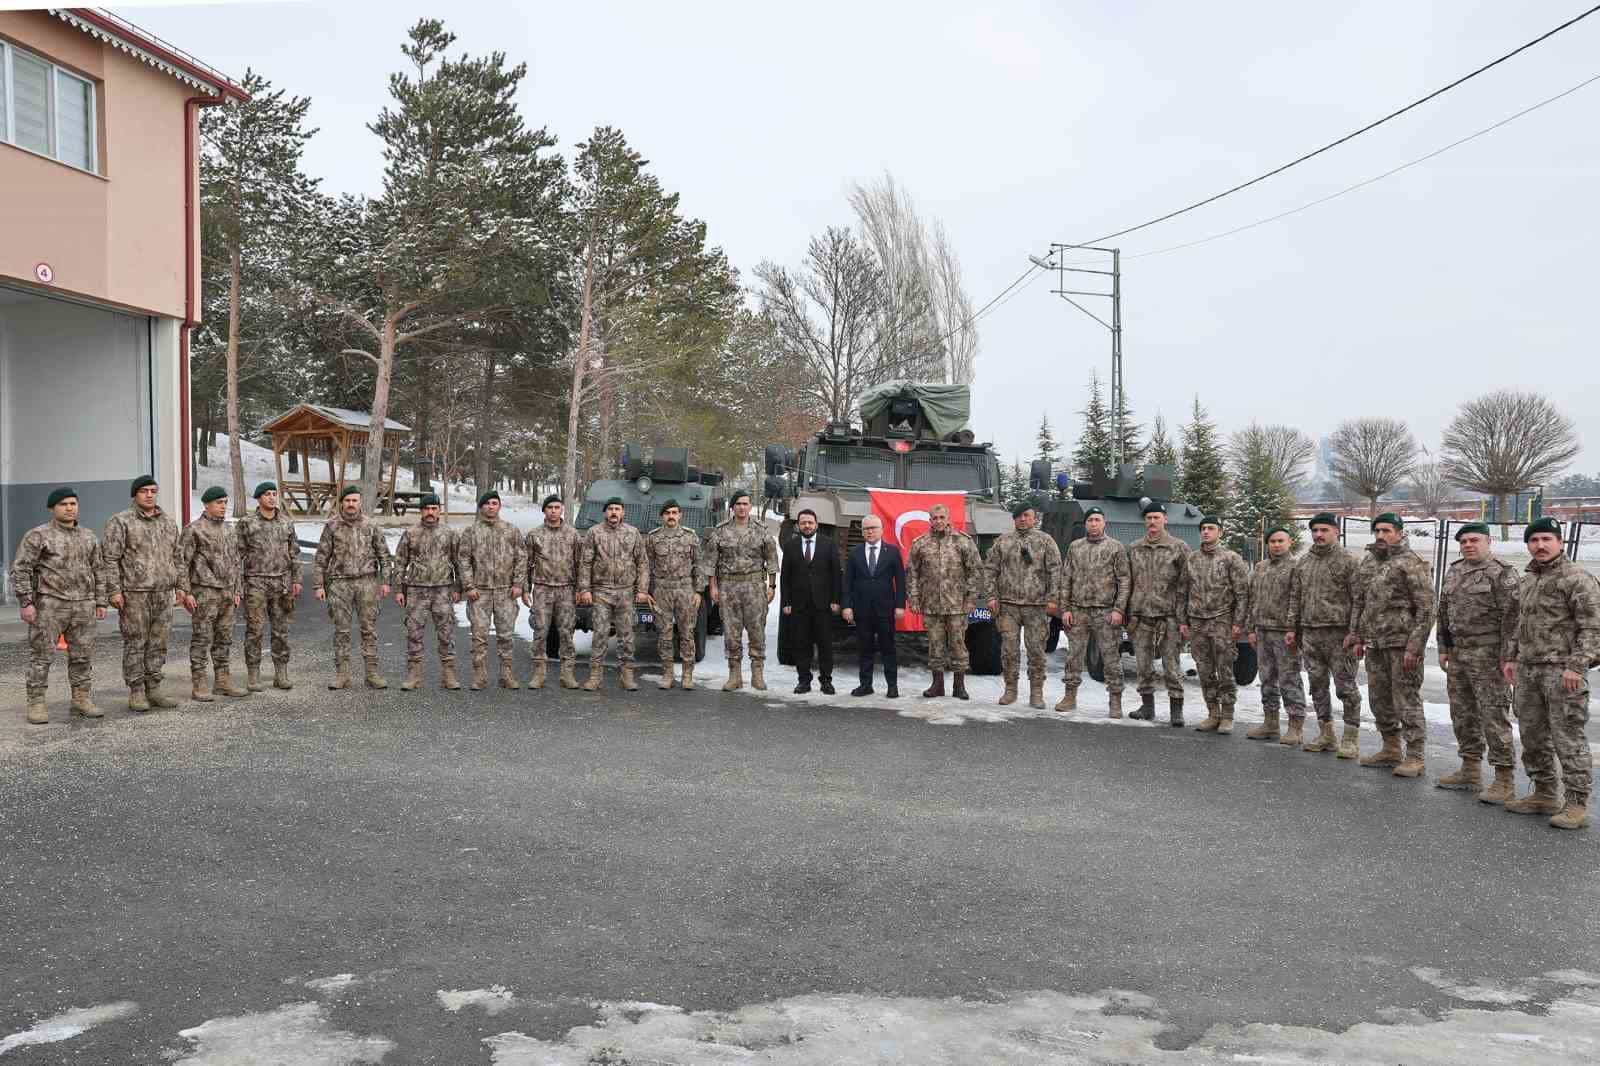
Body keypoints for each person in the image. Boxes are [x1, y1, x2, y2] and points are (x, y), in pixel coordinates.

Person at [1503, 517, 1600, 829]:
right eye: (1534, 540)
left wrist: (1576, 665)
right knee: (1532, 736)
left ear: (1560, 542)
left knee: (1568, 738)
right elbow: (1520, 624)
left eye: (1546, 539)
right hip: (1529, 671)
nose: (1540, 545)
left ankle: (1576, 803)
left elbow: (1592, 627)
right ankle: (1544, 793)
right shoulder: (1528, 579)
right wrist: (1512, 658)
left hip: (1562, 672)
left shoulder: (1577, 579)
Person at [1436, 522, 1519, 800]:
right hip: (1459, 654)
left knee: (1494, 716)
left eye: (1474, 540)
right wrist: (1444, 647)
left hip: (1489, 656)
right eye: (1464, 542)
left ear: (1488, 541)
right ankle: (1470, 768)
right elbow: (1443, 612)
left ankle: (1504, 778)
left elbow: (1513, 619)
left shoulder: (1501, 572)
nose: (1468, 545)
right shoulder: (1455, 570)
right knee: (1462, 714)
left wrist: (1509, 656)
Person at [11, 487, 108, 723]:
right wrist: (26, 602)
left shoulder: (88, 536)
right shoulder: (38, 536)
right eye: (63, 504)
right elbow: (21, 569)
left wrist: (100, 600)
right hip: (50, 605)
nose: (69, 508)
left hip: (83, 606)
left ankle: (81, 699)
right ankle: (36, 703)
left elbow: (99, 569)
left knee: (82, 656)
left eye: (73, 503)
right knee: (42, 656)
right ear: (52, 508)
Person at [1351, 513, 1435, 778]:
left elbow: (1426, 608)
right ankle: (1390, 748)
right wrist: (1356, 635)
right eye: (1377, 531)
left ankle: (1415, 756)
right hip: (1375, 643)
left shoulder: (1412, 563)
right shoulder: (1370, 562)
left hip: (1401, 644)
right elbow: (1360, 602)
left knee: (1406, 700)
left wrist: (1415, 646)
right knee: (1379, 699)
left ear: (1400, 533)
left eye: (1387, 531)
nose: (1381, 536)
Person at [102, 474, 181, 712]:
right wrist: (114, 590)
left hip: (162, 593)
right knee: (136, 642)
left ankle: (154, 688)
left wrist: (182, 587)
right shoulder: (120, 522)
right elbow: (110, 559)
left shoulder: (167, 522)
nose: (149, 495)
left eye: (153, 491)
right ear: (135, 494)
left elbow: (178, 557)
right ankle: (136, 691)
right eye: (144, 491)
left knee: (159, 642)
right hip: (134, 593)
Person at [1286, 512, 1363, 756]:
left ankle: (1350, 738)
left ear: (1336, 532)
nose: (1318, 535)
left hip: (1339, 635)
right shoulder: (1304, 562)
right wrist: (1292, 628)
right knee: (1317, 685)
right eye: (1315, 530)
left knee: (1346, 688)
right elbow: (1295, 598)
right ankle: (1326, 733)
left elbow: (1359, 600)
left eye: (1324, 530)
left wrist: (1355, 633)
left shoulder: (1349, 561)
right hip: (1310, 634)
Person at [312, 486, 392, 690]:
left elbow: (384, 555)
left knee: (369, 630)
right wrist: (318, 585)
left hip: (367, 583)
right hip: (340, 584)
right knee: (342, 631)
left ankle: (372, 674)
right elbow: (321, 557)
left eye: (354, 500)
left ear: (360, 503)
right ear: (341, 503)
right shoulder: (331, 526)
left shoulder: (371, 525)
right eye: (347, 500)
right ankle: (342, 674)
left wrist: (385, 582)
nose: (350, 504)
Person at [984, 502, 1061, 709]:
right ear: (1014, 519)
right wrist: (991, 596)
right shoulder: (1003, 541)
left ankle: (1036, 693)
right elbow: (990, 569)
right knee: (1009, 650)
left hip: (1036, 606)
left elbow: (1055, 571)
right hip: (1008, 606)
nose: (1023, 519)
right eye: (1019, 516)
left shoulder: (1046, 541)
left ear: (1034, 518)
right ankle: (1010, 690)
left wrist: (1053, 599)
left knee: (1036, 650)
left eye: (1027, 515)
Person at [1179, 516, 1250, 734]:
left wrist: (1239, 623)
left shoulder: (1231, 558)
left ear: (1220, 532)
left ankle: (1227, 715)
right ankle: (1213, 713)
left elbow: (1242, 593)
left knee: (1225, 669)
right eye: (1203, 528)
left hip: (1222, 621)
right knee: (1204, 670)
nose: (1206, 532)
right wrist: (1183, 621)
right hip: (1198, 622)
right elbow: (1182, 592)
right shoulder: (1191, 559)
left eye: (1211, 528)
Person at [1055, 507, 1129, 716]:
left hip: (1105, 612)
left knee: (1111, 657)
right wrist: (1065, 609)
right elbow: (1066, 578)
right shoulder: (1075, 547)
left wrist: (1118, 609)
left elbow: (1124, 581)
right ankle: (1070, 696)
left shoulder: (1116, 548)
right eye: (1090, 520)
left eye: (1097, 520)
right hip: (1078, 610)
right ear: (1085, 524)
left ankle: (1115, 701)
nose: (1093, 524)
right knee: (1074, 656)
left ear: (1104, 523)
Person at [906, 503, 982, 700]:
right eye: (934, 518)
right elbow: (912, 573)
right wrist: (913, 598)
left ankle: (959, 686)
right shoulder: (920, 543)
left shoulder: (963, 541)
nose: (938, 521)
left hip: (957, 605)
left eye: (942, 517)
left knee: (958, 645)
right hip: (931, 605)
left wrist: (972, 598)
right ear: (930, 520)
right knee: (935, 645)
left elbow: (975, 571)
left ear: (948, 519)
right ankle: (937, 685)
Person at [178, 486, 247, 702]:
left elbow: (236, 561)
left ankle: (222, 680)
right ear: (206, 504)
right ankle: (199, 683)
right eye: (219, 502)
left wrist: (237, 589)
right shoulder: (194, 529)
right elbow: (181, 563)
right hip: (205, 592)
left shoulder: (229, 529)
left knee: (224, 638)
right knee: (202, 638)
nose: (223, 506)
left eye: (225, 502)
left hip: (227, 593)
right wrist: (186, 592)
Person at [704, 490, 778, 691]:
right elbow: (711, 562)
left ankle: (757, 674)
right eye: (738, 504)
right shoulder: (720, 531)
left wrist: (771, 586)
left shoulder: (761, 530)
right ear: (732, 507)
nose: (742, 507)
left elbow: (772, 559)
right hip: (728, 588)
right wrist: (713, 587)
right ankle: (734, 676)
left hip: (754, 587)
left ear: (750, 506)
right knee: (731, 632)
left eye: (745, 504)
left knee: (756, 631)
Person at [234, 481, 302, 692]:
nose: (272, 497)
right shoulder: (247, 523)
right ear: (258, 498)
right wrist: (238, 586)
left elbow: (295, 554)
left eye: (274, 494)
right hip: (255, 582)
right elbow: (237, 556)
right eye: (267, 494)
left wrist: (297, 580)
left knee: (281, 630)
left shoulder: (286, 523)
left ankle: (281, 672)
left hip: (281, 584)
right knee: (255, 630)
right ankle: (253, 674)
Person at [1127, 501, 1190, 725]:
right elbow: (1128, 582)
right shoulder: (1135, 548)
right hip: (1142, 616)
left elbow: (1185, 585)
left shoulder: (1179, 547)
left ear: (1165, 520)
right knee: (1143, 665)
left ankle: (1176, 710)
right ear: (1145, 521)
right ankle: (1147, 706)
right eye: (1149, 518)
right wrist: (1129, 612)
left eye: (1157, 517)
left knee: (1171, 665)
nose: (1152, 522)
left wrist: (1183, 619)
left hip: (1169, 617)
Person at [457, 489, 527, 690]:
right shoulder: (471, 532)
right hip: (480, 592)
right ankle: (480, 675)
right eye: (487, 503)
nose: (491, 507)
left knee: (506, 635)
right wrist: (468, 586)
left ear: (499, 506)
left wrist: (518, 584)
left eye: (494, 503)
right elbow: (463, 560)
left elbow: (521, 558)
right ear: (481, 508)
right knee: (479, 636)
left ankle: (507, 675)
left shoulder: (511, 530)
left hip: (506, 591)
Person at [578, 497, 650, 691]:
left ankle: (626, 676)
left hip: (625, 592)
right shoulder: (594, 533)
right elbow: (585, 562)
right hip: (601, 591)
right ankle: (595, 676)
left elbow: (643, 563)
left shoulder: (633, 533)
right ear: (605, 513)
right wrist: (584, 589)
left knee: (626, 635)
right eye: (610, 509)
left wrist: (642, 590)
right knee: (600, 633)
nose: (613, 512)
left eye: (617, 509)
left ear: (623, 512)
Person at [392, 493, 461, 691]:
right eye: (426, 509)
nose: (430, 512)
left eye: (433, 508)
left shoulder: (450, 533)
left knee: (446, 632)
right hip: (416, 590)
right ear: (421, 511)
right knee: (414, 633)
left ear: (439, 510)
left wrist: (458, 588)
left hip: (443, 590)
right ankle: (414, 674)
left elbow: (459, 562)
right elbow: (400, 562)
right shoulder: (411, 533)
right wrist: (399, 589)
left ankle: (448, 674)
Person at [1245, 526, 1307, 744]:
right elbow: (1252, 600)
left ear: (1289, 542)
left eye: (1281, 541)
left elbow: (1297, 600)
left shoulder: (1297, 567)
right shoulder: (1260, 568)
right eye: (1272, 541)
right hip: (1262, 631)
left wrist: (1293, 629)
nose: (1277, 545)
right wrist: (1251, 629)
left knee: (1289, 679)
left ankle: (1295, 726)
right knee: (1267, 679)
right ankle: (1270, 723)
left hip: (1285, 633)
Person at [842, 513, 906, 697]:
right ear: (862, 532)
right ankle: (865, 685)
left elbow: (900, 581)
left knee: (888, 648)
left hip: (885, 609)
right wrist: (847, 606)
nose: (869, 532)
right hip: (862, 610)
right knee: (864, 648)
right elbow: (848, 582)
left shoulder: (892, 552)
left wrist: (900, 605)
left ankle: (892, 686)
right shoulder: (855, 553)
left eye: (873, 528)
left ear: (881, 530)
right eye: (866, 529)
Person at [781, 508, 842, 695]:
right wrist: (786, 602)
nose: (807, 526)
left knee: (825, 645)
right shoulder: (791, 546)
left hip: (823, 604)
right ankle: (804, 681)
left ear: (816, 524)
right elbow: (786, 577)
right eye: (803, 523)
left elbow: (835, 574)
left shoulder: (829, 544)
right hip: (799, 606)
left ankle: (826, 681)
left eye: (810, 522)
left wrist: (835, 599)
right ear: (798, 526)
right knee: (802, 644)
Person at [524, 495, 581, 690]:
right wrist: (525, 589)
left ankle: (567, 674)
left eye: (557, 507)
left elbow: (580, 564)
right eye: (550, 507)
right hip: (542, 588)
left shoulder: (573, 535)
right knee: (540, 631)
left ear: (562, 509)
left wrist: (581, 590)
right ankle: (539, 673)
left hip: (566, 589)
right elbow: (526, 564)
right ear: (544, 511)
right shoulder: (534, 535)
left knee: (566, 632)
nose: (554, 511)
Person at [646, 498, 703, 690]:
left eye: (674, 512)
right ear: (662, 516)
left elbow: (698, 565)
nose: (671, 516)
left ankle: (687, 675)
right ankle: (667, 674)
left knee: (687, 633)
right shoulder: (653, 538)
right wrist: (647, 591)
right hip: (662, 591)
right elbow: (647, 566)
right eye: (667, 513)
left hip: (685, 590)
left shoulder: (690, 536)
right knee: (664, 634)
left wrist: (698, 591)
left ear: (680, 515)